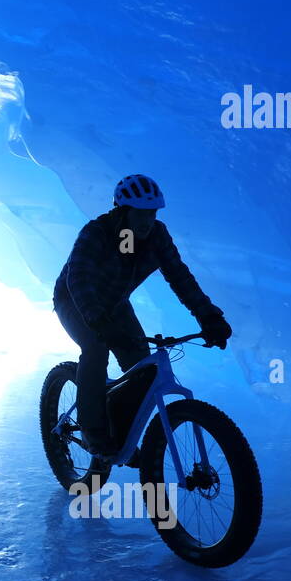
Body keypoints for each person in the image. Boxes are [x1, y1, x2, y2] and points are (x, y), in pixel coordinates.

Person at [53, 174, 231, 459]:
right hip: (75, 300)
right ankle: (95, 434)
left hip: (115, 303)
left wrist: (209, 317)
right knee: (96, 349)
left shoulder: (157, 236)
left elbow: (181, 278)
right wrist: (97, 321)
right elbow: (79, 278)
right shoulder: (96, 232)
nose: (148, 220)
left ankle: (118, 427)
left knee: (143, 369)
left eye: (153, 212)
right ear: (123, 211)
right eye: (141, 213)